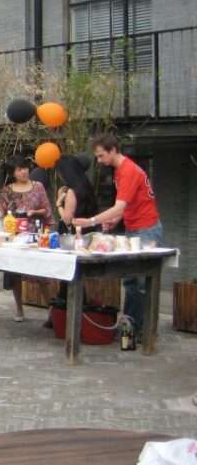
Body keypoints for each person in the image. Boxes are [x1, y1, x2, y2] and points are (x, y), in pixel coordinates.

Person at [73, 134, 163, 341]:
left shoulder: (128, 171)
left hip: (146, 228)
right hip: (136, 226)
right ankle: (132, 330)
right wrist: (117, 219)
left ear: (113, 150)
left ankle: (138, 330)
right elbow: (127, 204)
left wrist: (90, 221)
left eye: (101, 155)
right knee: (132, 281)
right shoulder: (121, 171)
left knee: (140, 282)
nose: (99, 160)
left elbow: (119, 205)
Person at [0, 154, 54, 322]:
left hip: (35, 234)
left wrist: (35, 213)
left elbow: (47, 210)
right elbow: (0, 210)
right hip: (14, 238)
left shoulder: (38, 187)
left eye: (25, 168)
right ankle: (19, 309)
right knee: (16, 275)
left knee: (42, 275)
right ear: (12, 173)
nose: (24, 172)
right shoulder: (7, 191)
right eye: (19, 169)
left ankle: (52, 310)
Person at [55, 156, 99, 235]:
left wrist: (59, 204)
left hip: (77, 234)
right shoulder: (87, 185)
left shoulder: (72, 192)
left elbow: (67, 220)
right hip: (90, 231)